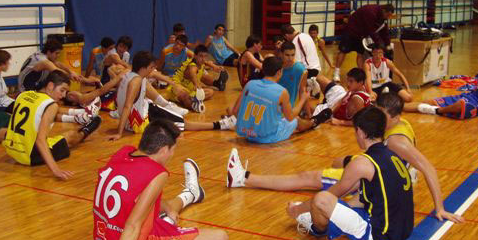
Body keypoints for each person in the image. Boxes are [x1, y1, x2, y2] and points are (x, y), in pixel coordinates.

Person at [226, 92, 464, 224]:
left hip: (372, 179)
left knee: (307, 177)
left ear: (391, 116)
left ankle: (243, 178)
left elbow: (429, 168)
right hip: (381, 168)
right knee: (336, 161)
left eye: (379, 114)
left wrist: (440, 208)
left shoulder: (396, 140)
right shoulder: (400, 125)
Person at [91, 120, 228, 240]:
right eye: (172, 150)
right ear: (164, 150)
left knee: (166, 207)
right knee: (220, 238)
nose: (172, 155)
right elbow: (132, 226)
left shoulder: (123, 152)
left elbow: (132, 197)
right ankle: (191, 193)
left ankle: (190, 194)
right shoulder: (157, 173)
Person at [287, 106, 414, 240]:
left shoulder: (362, 163)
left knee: (321, 200)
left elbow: (332, 194)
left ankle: (315, 228)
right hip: (402, 232)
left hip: (379, 238)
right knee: (357, 198)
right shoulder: (392, 155)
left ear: (360, 132)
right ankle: (332, 223)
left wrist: (297, 210)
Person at [108, 51, 236, 141]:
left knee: (147, 86)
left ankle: (167, 105)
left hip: (132, 119)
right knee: (184, 124)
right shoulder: (136, 82)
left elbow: (103, 90)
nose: (153, 70)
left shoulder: (128, 73)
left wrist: (172, 83)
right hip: (139, 121)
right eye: (151, 67)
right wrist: (119, 133)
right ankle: (220, 124)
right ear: (144, 67)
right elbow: (127, 106)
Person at [2, 70, 102, 180]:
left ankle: (82, 115)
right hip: (29, 156)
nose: (64, 95)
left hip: (12, 150)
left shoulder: (23, 95)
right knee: (70, 136)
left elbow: (40, 113)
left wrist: (76, 112)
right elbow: (40, 140)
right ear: (50, 86)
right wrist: (56, 170)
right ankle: (87, 129)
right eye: (62, 90)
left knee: (50, 137)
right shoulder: (51, 105)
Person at [233, 56, 332, 144]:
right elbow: (290, 117)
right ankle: (314, 122)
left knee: (278, 119)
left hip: (247, 135)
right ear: (279, 72)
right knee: (296, 120)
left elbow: (235, 111)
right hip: (266, 138)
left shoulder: (250, 84)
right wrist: (303, 99)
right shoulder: (281, 91)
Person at [333, 3, 395, 82]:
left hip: (361, 35)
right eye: (388, 15)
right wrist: (379, 44)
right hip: (351, 31)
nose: (388, 18)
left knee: (360, 54)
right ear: (384, 11)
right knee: (343, 51)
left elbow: (384, 30)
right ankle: (336, 72)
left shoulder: (382, 17)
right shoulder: (370, 12)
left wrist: (388, 44)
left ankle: (361, 74)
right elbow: (370, 30)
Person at [167, 45, 227, 113]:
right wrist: (196, 84)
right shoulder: (192, 66)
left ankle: (194, 99)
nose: (203, 59)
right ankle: (193, 104)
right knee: (185, 96)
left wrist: (214, 66)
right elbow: (192, 73)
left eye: (205, 56)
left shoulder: (201, 62)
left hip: (189, 89)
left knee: (210, 92)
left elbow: (206, 62)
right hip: (177, 86)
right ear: (195, 56)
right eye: (201, 56)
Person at [18, 38, 87, 92]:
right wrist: (83, 80)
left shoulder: (43, 54)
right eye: (57, 53)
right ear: (49, 52)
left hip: (35, 83)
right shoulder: (43, 61)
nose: (58, 55)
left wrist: (71, 72)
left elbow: (58, 64)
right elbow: (58, 72)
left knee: (62, 92)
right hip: (25, 88)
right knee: (58, 84)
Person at [278, 41, 307, 107]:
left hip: (289, 108)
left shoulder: (300, 69)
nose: (290, 58)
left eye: (293, 55)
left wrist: (309, 115)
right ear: (281, 54)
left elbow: (302, 91)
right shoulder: (276, 66)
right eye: (287, 55)